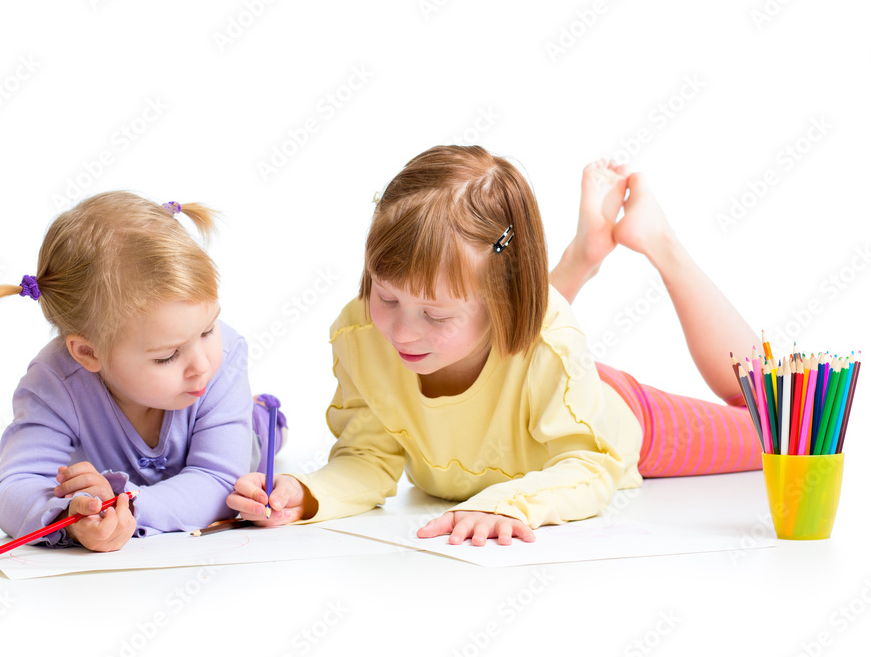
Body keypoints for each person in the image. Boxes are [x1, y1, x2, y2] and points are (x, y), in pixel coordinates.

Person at [227, 145, 761, 546]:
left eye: (434, 314)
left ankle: (660, 244)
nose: (402, 332)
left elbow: (589, 465)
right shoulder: (362, 337)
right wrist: (308, 493)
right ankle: (582, 255)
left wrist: (511, 504)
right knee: (516, 335)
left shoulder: (551, 342)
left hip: (608, 410)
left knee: (774, 425)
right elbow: (369, 455)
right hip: (526, 361)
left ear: (503, 302)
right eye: (386, 297)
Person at [0, 192, 285, 552]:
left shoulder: (224, 358)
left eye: (208, 330)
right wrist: (71, 517)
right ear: (87, 353)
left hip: (240, 444)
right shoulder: (52, 385)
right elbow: (13, 486)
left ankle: (261, 418)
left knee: (256, 444)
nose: (203, 365)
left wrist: (126, 505)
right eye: (167, 356)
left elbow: (217, 480)